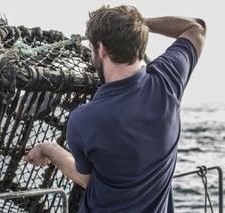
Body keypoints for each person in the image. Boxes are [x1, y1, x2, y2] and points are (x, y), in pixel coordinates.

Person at [24, 5, 206, 212]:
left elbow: (86, 178)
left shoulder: (83, 119)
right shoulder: (168, 82)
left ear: (101, 49)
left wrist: (49, 148)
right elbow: (196, 27)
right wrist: (140, 25)